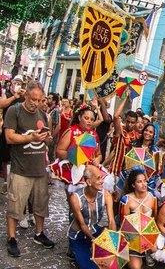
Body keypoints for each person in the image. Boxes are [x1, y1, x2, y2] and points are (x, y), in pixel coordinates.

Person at [4, 79, 55, 257]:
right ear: (26, 95)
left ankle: (39, 233)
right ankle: (11, 238)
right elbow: (9, 137)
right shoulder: (14, 111)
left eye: (39, 100)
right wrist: (31, 139)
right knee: (15, 205)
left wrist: (46, 138)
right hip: (21, 168)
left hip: (39, 168)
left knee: (40, 205)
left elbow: (47, 138)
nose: (35, 103)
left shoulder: (42, 114)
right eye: (32, 99)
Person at [67, 165, 116, 269]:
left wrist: (113, 241)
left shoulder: (106, 195)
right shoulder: (75, 198)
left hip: (96, 231)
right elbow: (83, 225)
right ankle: (76, 253)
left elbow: (111, 220)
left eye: (102, 177)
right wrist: (95, 241)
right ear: (89, 182)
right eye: (98, 178)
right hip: (78, 237)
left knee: (110, 262)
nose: (102, 181)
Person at [119, 169, 158, 269]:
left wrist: (152, 238)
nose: (144, 184)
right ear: (133, 185)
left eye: (145, 181)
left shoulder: (152, 197)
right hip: (132, 237)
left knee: (154, 249)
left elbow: (154, 219)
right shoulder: (126, 200)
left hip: (148, 233)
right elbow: (123, 224)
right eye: (139, 182)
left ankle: (148, 253)